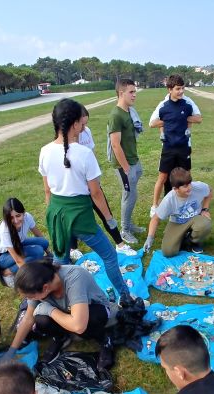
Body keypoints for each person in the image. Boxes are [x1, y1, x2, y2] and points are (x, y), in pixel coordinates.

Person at [39, 98, 131, 301]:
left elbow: (47, 190)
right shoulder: (84, 154)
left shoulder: (44, 151)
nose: (83, 125)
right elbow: (96, 193)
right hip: (79, 213)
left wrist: (52, 217)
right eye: (82, 121)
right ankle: (125, 296)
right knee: (109, 255)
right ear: (74, 124)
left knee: (61, 261)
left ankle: (62, 300)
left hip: (56, 212)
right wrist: (109, 219)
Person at [7, 260, 117, 370]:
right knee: (40, 319)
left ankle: (105, 340)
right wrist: (11, 351)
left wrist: (50, 310)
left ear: (45, 288)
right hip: (67, 312)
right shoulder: (40, 281)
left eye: (31, 297)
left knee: (88, 323)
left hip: (93, 309)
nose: (29, 300)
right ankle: (60, 337)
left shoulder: (74, 277)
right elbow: (27, 319)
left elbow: (79, 326)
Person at [75, 106, 138, 256]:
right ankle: (73, 248)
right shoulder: (63, 144)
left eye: (86, 124)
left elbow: (91, 154)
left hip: (91, 182)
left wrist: (95, 176)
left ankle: (119, 244)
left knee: (105, 212)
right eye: (81, 125)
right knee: (76, 217)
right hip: (76, 187)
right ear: (73, 124)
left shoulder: (87, 132)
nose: (84, 128)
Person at [149, 74, 202, 214]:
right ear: (169, 89)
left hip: (184, 147)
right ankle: (155, 206)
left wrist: (182, 118)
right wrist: (171, 120)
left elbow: (198, 118)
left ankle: (188, 203)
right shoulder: (164, 106)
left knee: (186, 177)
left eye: (182, 88)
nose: (181, 91)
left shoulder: (187, 103)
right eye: (178, 89)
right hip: (168, 148)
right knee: (163, 177)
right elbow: (152, 123)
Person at [143, 168, 212, 256]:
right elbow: (155, 219)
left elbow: (210, 191)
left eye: (189, 184)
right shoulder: (169, 199)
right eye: (185, 186)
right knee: (168, 252)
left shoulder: (198, 187)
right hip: (177, 222)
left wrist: (205, 209)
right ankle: (184, 239)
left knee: (204, 224)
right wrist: (150, 238)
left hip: (195, 218)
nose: (189, 188)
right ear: (175, 189)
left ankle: (194, 242)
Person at [108, 79, 144, 243]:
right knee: (129, 195)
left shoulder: (128, 111)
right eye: (131, 92)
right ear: (121, 93)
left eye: (135, 92)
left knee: (132, 195)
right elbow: (115, 145)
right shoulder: (116, 115)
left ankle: (129, 224)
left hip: (132, 160)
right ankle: (124, 230)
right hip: (125, 165)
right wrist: (126, 167)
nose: (135, 95)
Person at [0, 197, 49, 287]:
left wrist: (50, 254)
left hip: (17, 244)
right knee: (38, 252)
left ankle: (38, 260)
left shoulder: (27, 217)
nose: (15, 220)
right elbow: (18, 260)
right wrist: (33, 281)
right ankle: (7, 272)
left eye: (18, 215)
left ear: (24, 213)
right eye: (11, 217)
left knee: (44, 242)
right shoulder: (4, 230)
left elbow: (38, 234)